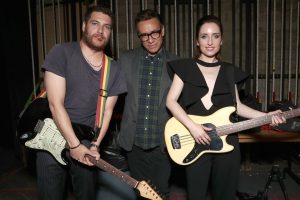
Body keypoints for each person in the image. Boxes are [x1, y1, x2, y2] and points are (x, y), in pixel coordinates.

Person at [166, 15, 286, 200]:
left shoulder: (229, 71)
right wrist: (193, 127)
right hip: (195, 140)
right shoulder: (185, 67)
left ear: (221, 40)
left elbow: (237, 106)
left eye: (215, 36)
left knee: (225, 196)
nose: (210, 41)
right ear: (197, 41)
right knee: (196, 195)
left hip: (227, 143)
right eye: (204, 36)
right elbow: (171, 101)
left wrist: (267, 115)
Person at [40, 5, 127, 200]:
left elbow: (107, 113)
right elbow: (55, 104)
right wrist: (74, 145)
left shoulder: (113, 69)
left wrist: (95, 145)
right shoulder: (61, 52)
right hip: (52, 133)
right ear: (84, 26)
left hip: (86, 138)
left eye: (107, 27)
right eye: (95, 24)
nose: (100, 31)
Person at [117, 9, 178, 199]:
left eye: (154, 33)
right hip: (134, 143)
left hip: (163, 143)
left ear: (163, 31)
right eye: (144, 35)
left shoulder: (177, 64)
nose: (150, 39)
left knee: (161, 192)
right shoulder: (126, 60)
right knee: (140, 193)